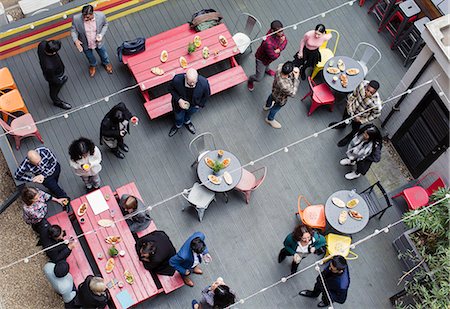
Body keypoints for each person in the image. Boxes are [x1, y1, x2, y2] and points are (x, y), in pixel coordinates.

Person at [329, 80, 382, 147]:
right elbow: (354, 94)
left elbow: (376, 115)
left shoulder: (376, 104)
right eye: (367, 90)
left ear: (375, 92)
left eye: (371, 93)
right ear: (367, 86)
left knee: (355, 129)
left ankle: (348, 137)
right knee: (344, 118)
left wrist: (362, 120)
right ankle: (341, 125)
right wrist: (349, 105)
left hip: (359, 117)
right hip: (351, 109)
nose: (367, 93)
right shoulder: (362, 84)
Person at [70, 4, 112, 77]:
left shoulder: (101, 15)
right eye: (84, 17)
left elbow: (106, 24)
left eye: (88, 17)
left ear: (92, 13)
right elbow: (73, 30)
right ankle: (93, 65)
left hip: (98, 42)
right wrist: (75, 40)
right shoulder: (76, 18)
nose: (85, 19)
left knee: (104, 54)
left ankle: (106, 63)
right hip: (85, 43)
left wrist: (101, 35)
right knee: (89, 56)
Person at [168, 68, 210, 137]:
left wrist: (199, 105)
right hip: (178, 106)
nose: (193, 85)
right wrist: (179, 100)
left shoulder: (204, 82)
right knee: (178, 117)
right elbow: (170, 88)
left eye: (195, 82)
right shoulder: (177, 80)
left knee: (189, 114)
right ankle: (178, 125)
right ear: (185, 77)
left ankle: (187, 122)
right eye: (190, 83)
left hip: (194, 105)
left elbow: (206, 95)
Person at [248, 20, 288, 91]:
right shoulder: (268, 43)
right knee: (259, 77)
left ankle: (267, 70)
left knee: (267, 65)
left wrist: (278, 49)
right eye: (280, 32)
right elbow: (273, 56)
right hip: (261, 59)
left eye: (282, 30)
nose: (282, 33)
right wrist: (280, 47)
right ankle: (250, 80)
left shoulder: (278, 33)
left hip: (268, 60)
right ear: (273, 31)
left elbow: (285, 41)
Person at [263, 61, 300, 129]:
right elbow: (293, 93)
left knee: (271, 96)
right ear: (289, 72)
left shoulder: (279, 67)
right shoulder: (285, 85)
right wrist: (296, 78)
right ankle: (270, 119)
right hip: (280, 98)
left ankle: (267, 106)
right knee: (276, 108)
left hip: (274, 89)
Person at [37, 40, 71, 110]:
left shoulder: (42, 45)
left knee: (57, 83)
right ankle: (57, 102)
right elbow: (51, 78)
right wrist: (58, 82)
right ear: (53, 52)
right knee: (53, 91)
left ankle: (61, 82)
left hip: (55, 72)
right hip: (54, 76)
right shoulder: (49, 66)